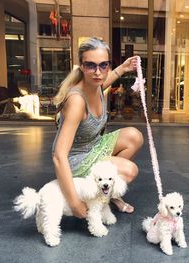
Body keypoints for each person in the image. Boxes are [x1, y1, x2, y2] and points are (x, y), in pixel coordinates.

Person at [52, 37, 143, 219]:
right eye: (90, 65)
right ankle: (97, 195)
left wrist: (123, 68)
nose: (98, 72)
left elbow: (105, 80)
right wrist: (74, 203)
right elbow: (58, 155)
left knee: (135, 136)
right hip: (77, 157)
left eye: (103, 65)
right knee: (129, 170)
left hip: (96, 145)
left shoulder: (97, 84)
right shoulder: (77, 101)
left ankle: (107, 192)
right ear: (81, 65)